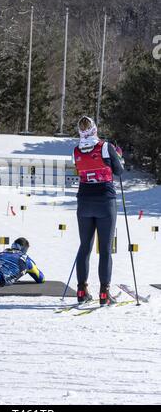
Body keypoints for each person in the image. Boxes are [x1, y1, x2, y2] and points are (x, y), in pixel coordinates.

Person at [73, 116, 124, 305]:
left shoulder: (77, 149)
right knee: (105, 250)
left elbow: (82, 168)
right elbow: (119, 171)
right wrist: (117, 156)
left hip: (84, 201)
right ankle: (104, 293)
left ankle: (81, 291)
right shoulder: (105, 146)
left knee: (84, 247)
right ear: (94, 129)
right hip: (105, 200)